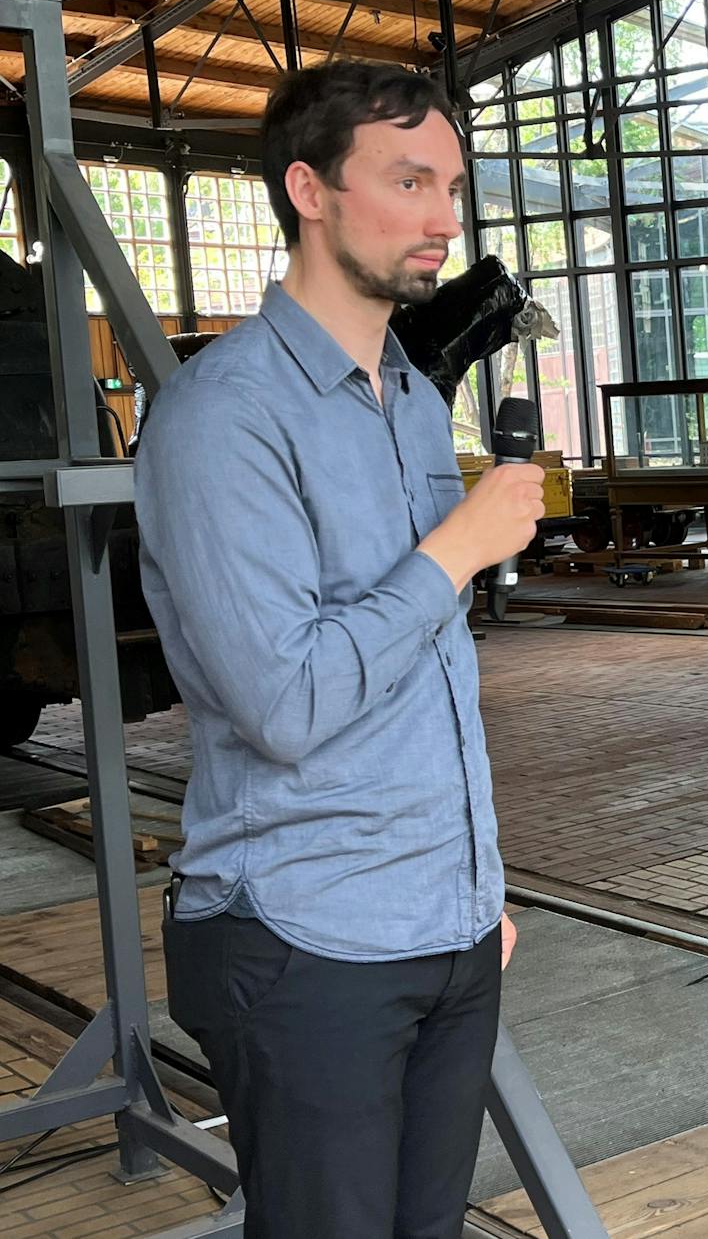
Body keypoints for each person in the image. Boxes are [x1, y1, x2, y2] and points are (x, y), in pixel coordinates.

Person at [136, 62, 545, 1236]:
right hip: (304, 939)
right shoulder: (223, 416)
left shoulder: (411, 395)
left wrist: (471, 881)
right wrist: (455, 547)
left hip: (447, 924)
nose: (443, 219)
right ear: (307, 190)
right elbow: (288, 696)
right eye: (408, 180)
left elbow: (425, 676)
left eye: (452, 185)